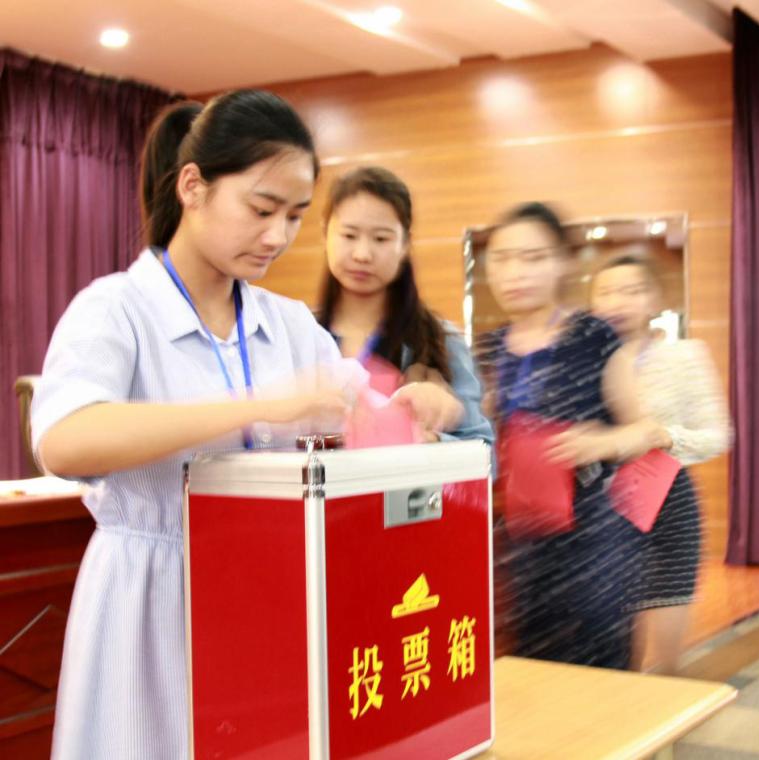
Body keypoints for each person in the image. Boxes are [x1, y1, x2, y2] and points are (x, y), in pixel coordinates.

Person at [31, 91, 380, 759]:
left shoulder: (287, 323)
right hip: (148, 596)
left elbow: (365, 412)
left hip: (264, 592)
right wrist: (255, 404)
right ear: (193, 186)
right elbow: (65, 441)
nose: (277, 236)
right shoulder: (115, 309)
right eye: (261, 209)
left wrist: (415, 408)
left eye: (295, 216)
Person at [474, 202, 663, 670]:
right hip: (520, 543)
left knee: (598, 666)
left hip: (594, 539)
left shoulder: (593, 336)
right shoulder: (489, 347)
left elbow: (649, 430)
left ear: (561, 262)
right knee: (531, 668)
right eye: (502, 259)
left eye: (533, 258)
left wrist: (600, 443)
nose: (516, 272)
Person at [590, 254, 731, 674]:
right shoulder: (582, 363)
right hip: (602, 515)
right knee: (611, 655)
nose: (618, 302)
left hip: (668, 505)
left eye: (632, 291)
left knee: (662, 658)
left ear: (654, 300)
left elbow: (719, 434)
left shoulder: (684, 356)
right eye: (606, 292)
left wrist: (664, 437)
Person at [317, 166, 493, 446]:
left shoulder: (441, 340)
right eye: (349, 235)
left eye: (381, 238)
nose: (362, 254)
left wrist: (431, 442)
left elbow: (482, 449)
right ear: (325, 233)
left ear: (405, 244)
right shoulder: (298, 333)